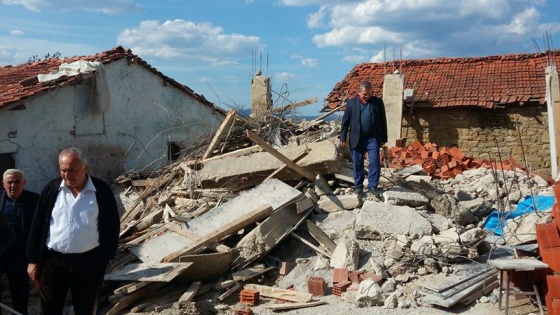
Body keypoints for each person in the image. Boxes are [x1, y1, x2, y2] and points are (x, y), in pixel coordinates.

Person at [27, 147, 120, 314]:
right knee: (50, 308)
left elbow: (112, 225)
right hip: (53, 261)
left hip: (89, 262)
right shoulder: (52, 189)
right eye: (63, 170)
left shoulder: (100, 191)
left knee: (84, 307)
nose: (67, 175)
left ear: (85, 168)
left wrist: (106, 256)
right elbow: (38, 224)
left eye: (72, 170)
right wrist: (33, 260)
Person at [339, 81, 388, 196]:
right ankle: (358, 187)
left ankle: (372, 186)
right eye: (365, 94)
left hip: (373, 138)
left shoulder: (377, 102)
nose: (367, 96)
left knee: (374, 162)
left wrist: (384, 137)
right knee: (357, 163)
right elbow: (345, 122)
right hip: (357, 138)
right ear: (359, 93)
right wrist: (343, 136)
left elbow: (383, 121)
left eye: (369, 94)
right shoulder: (351, 103)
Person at [1, 169, 39, 314]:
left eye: (17, 182)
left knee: (20, 295)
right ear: (3, 184)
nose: (13, 185)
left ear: (24, 183)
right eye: (9, 182)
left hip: (21, 257)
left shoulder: (34, 201)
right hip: (1, 255)